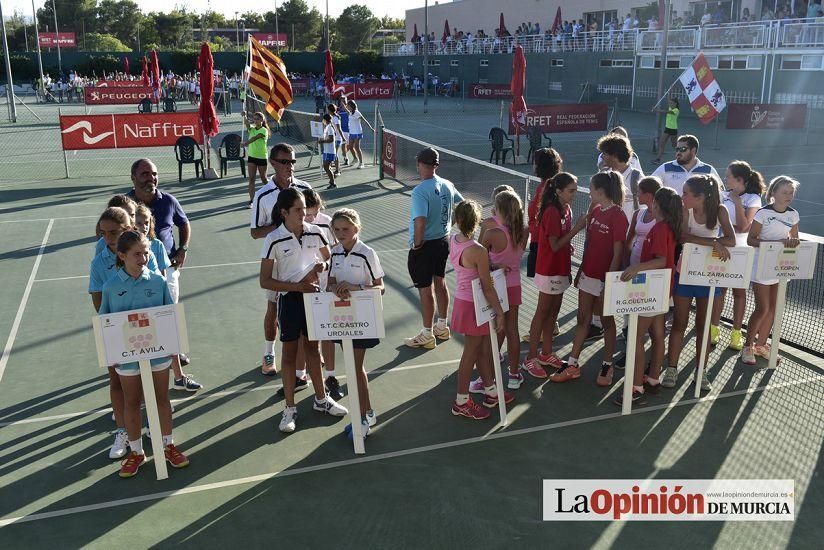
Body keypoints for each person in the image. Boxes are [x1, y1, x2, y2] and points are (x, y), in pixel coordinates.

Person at [100, 231, 189, 478]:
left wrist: (174, 350)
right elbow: (105, 322)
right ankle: (137, 452)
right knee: (131, 402)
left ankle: (167, 445)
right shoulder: (111, 286)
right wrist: (111, 354)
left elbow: (169, 315)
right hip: (128, 358)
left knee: (162, 398)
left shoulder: (158, 282)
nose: (143, 258)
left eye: (146, 252)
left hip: (158, 354)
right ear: (122, 255)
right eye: (137, 254)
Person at [259, 188, 347, 433]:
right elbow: (265, 281)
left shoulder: (317, 233)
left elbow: (331, 259)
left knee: (313, 350)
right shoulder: (273, 239)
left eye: (304, 209)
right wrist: (298, 286)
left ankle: (321, 399)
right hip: (290, 301)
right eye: (298, 210)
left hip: (315, 300)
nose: (304, 213)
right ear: (284, 212)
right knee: (288, 355)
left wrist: (322, 266)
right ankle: (289, 408)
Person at [128, 159, 201, 390]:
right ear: (134, 178)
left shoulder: (168, 200)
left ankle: (174, 357)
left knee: (168, 316)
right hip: (135, 274)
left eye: (154, 174)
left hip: (166, 269)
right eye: (145, 174)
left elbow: (184, 223)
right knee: (140, 322)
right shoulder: (125, 204)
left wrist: (183, 249)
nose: (151, 178)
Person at [551, 172, 628, 385]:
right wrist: (582, 269)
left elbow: (618, 251)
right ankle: (573, 363)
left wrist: (610, 282)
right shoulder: (593, 211)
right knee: (583, 319)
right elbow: (590, 245)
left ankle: (606, 365)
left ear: (600, 191)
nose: (589, 191)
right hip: (588, 275)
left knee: (607, 321)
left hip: (606, 279)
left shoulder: (618, 216)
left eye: (591, 188)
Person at [663, 175, 735, 392]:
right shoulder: (686, 211)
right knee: (679, 323)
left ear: (700, 197)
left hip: (708, 276)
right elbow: (683, 237)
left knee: (703, 327)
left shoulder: (720, 211)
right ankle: (671, 369)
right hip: (685, 273)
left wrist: (715, 243)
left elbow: (730, 240)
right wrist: (714, 242)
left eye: (685, 193)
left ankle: (701, 371)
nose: (681, 196)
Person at [250, 144, 312, 376]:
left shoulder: (305, 188)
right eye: (285, 162)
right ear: (273, 163)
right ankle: (269, 353)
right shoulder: (263, 196)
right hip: (277, 261)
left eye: (293, 162)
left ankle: (308, 356)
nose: (290, 167)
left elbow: (314, 220)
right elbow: (255, 232)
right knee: (273, 307)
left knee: (307, 307)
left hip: (304, 258)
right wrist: (281, 226)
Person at [617, 187, 683, 405]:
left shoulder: (660, 229)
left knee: (636, 338)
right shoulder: (666, 227)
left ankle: (635, 388)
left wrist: (637, 268)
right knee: (656, 335)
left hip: (652, 290)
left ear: (657, 206)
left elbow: (661, 260)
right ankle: (653, 379)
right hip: (662, 290)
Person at [449, 200, 511, 420]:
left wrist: (495, 267)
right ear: (477, 222)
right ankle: (461, 401)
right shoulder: (478, 250)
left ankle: (491, 392)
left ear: (457, 220)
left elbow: (474, 269)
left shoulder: (454, 241)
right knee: (471, 353)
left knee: (483, 348)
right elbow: (487, 286)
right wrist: (500, 311)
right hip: (473, 307)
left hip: (463, 303)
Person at [523, 173, 587, 380]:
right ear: (558, 191)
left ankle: (546, 353)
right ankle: (530, 358)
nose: (574, 194)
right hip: (548, 269)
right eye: (571, 190)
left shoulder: (566, 209)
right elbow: (554, 244)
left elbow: (561, 243)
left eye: (575, 190)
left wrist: (568, 246)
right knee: (543, 311)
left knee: (554, 312)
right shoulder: (551, 211)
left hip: (561, 267)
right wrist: (577, 229)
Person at [327, 208, 385, 437]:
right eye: (337, 230)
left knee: (354, 365)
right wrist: (334, 288)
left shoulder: (366, 253)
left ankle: (364, 417)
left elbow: (380, 287)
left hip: (363, 317)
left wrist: (355, 288)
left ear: (356, 229)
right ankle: (367, 412)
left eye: (346, 229)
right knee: (354, 366)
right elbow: (331, 279)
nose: (341, 233)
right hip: (342, 317)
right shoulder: (335, 253)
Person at [404, 148, 464, 349]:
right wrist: (450, 223)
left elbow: (420, 221)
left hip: (426, 245)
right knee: (440, 282)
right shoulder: (448, 184)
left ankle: (427, 334)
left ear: (419, 163)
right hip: (443, 241)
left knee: (425, 290)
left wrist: (418, 244)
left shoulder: (420, 191)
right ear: (436, 165)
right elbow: (464, 207)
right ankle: (442, 326)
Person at [470, 190, 529, 390]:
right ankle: (514, 375)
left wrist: (495, 267)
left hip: (495, 288)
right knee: (512, 330)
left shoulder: (492, 234)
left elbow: (481, 259)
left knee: (491, 334)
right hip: (514, 287)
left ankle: (487, 380)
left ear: (500, 210)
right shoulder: (524, 230)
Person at [741, 176, 801, 365]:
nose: (788, 196)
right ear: (773, 193)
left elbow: (795, 239)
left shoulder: (793, 214)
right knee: (762, 308)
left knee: (774, 309)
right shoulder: (762, 213)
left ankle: (761, 345)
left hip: (780, 266)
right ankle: (747, 346)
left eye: (791, 193)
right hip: (761, 265)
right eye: (784, 192)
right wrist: (773, 244)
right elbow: (751, 240)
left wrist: (793, 243)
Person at [710, 161, 765, 350]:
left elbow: (743, 227)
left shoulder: (753, 199)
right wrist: (727, 228)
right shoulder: (722, 195)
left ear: (739, 179)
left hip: (741, 251)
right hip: (722, 248)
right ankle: (713, 330)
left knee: (739, 293)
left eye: (729, 176)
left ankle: (736, 334)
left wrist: (737, 203)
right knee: (719, 291)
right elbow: (716, 223)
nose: (725, 179)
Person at [303, 188, 342, 399]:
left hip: (325, 286)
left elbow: (334, 251)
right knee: (307, 334)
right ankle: (302, 374)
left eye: (313, 214)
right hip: (302, 286)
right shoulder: (296, 226)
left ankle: (331, 376)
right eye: (306, 214)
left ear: (319, 208)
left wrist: (329, 277)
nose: (309, 218)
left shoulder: (326, 222)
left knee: (327, 333)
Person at [651, 135, 720, 196]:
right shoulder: (665, 168)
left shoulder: (709, 171)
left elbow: (721, 194)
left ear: (693, 150)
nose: (678, 152)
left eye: (682, 149)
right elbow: (648, 187)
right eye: (677, 149)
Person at [597, 133, 645, 222]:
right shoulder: (603, 175)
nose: (602, 157)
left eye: (605, 153)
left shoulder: (638, 179)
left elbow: (645, 211)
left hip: (630, 233)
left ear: (615, 155)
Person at [242, 111, 270, 206]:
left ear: (262, 120)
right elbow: (246, 124)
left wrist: (245, 143)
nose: (255, 120)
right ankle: (252, 200)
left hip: (261, 157)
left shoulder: (264, 130)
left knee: (264, 179)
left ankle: (274, 190)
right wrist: (244, 115)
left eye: (258, 119)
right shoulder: (252, 129)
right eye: (254, 119)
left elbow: (255, 138)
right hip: (252, 157)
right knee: (251, 179)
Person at [346, 100, 375, 169]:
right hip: (351, 132)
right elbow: (346, 109)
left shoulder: (357, 113)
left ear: (351, 106)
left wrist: (371, 128)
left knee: (357, 147)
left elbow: (364, 120)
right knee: (350, 147)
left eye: (348, 105)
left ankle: (361, 163)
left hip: (357, 132)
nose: (347, 106)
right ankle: (355, 159)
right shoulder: (350, 112)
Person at [652, 98, 680, 164]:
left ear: (675, 104)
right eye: (670, 103)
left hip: (673, 129)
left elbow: (666, 112)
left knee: (674, 145)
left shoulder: (676, 110)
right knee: (662, 144)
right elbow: (669, 98)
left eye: (672, 103)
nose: (670, 104)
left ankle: (681, 157)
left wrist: (657, 110)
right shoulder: (670, 107)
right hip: (667, 129)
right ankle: (658, 159)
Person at [327, 104, 346, 177]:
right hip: (334, 138)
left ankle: (338, 170)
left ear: (330, 110)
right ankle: (335, 168)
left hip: (337, 139)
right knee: (334, 154)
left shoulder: (335, 118)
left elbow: (339, 129)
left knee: (335, 154)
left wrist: (343, 138)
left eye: (328, 109)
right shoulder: (332, 117)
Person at [320, 114, 338, 189]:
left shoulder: (330, 128)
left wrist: (323, 141)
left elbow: (331, 139)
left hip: (330, 151)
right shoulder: (327, 127)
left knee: (326, 166)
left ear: (325, 120)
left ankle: (333, 183)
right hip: (327, 150)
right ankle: (332, 180)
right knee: (327, 166)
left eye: (323, 119)